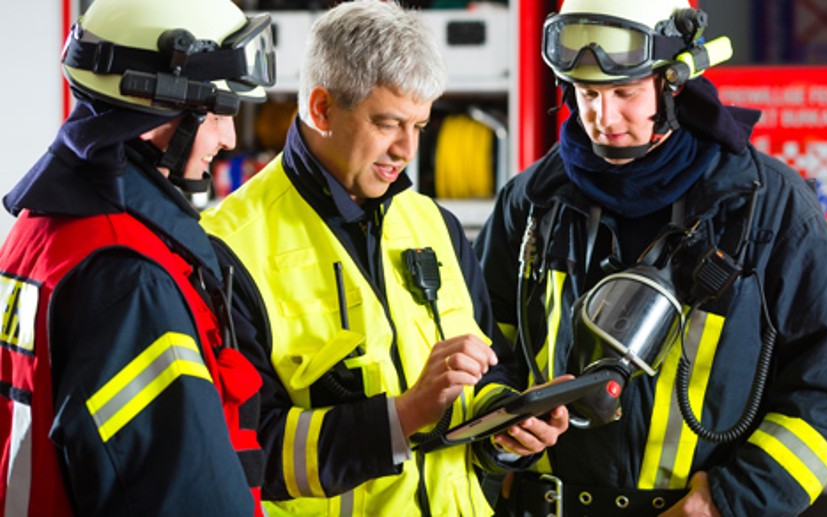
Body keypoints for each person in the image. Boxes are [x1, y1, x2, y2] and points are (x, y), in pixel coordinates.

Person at [474, 0, 827, 515]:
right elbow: (480, 345)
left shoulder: (769, 207)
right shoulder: (534, 201)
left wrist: (728, 502)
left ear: (674, 84)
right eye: (586, 93)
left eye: (624, 93)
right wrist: (500, 420)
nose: (601, 118)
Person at [201, 1, 569, 515]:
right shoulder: (228, 249)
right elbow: (245, 452)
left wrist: (506, 424)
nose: (407, 149)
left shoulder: (435, 225)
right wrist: (403, 416)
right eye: (388, 123)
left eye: (419, 125)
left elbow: (490, 373)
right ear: (322, 108)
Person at [0, 0, 277, 514]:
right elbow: (185, 494)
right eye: (218, 112)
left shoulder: (40, 229)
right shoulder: (130, 278)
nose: (229, 137)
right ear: (157, 107)